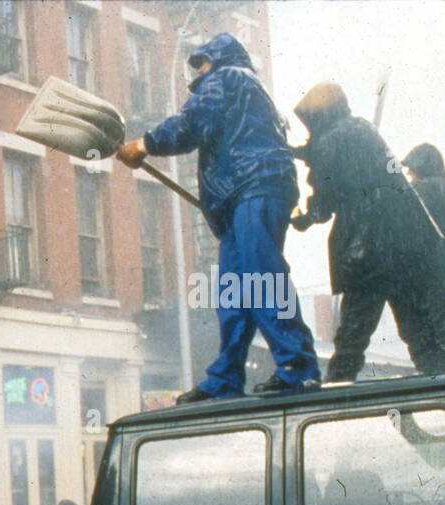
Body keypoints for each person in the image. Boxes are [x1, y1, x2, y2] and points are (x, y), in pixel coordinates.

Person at [117, 32, 321, 403]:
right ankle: (226, 375)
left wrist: (144, 144)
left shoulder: (229, 78)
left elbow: (192, 122)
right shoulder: (246, 87)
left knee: (261, 275)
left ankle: (299, 365)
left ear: (219, 58)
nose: (199, 69)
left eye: (203, 61)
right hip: (242, 193)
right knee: (233, 291)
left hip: (253, 186)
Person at [290, 84, 445, 380]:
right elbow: (333, 156)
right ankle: (439, 387)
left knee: (352, 335)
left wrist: (304, 217)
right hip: (407, 248)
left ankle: (333, 396)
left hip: (369, 251)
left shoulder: (331, 141)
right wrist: (302, 152)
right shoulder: (360, 129)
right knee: (418, 332)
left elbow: (323, 201)